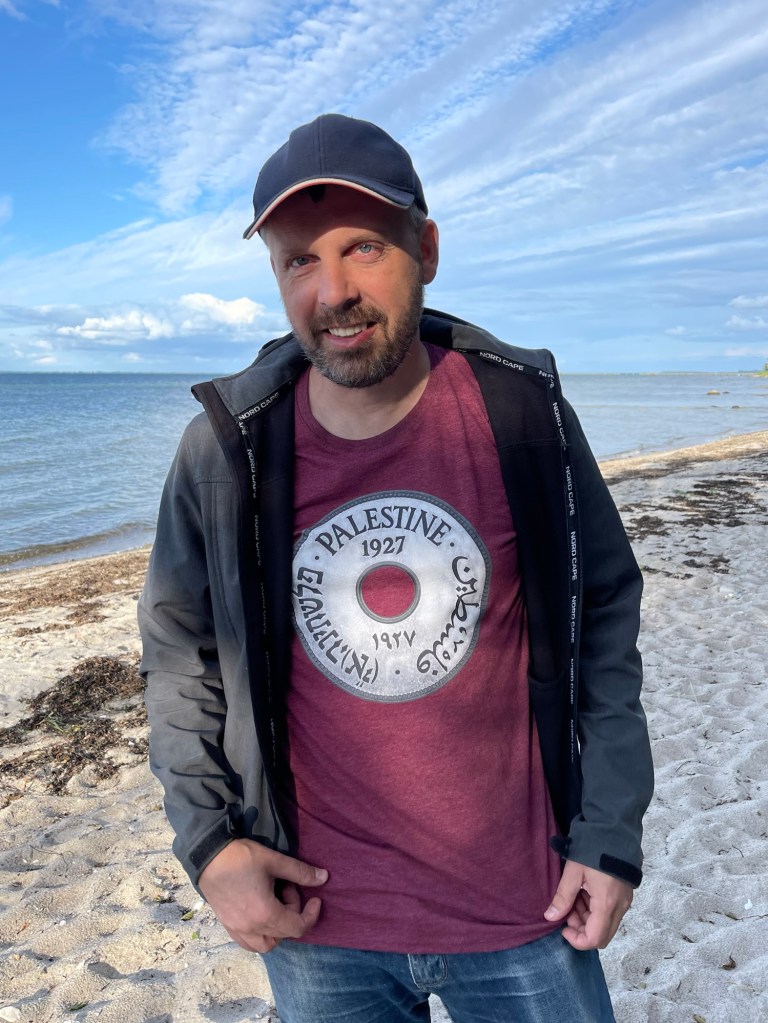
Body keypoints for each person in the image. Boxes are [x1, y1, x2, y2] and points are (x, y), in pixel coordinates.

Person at [139, 113, 653, 1022]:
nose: (332, 289)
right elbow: (181, 652)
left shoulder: (521, 417)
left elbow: (605, 614)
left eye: (364, 246)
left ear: (427, 248)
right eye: (300, 260)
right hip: (319, 928)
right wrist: (212, 844)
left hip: (525, 911)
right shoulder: (228, 450)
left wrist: (608, 833)